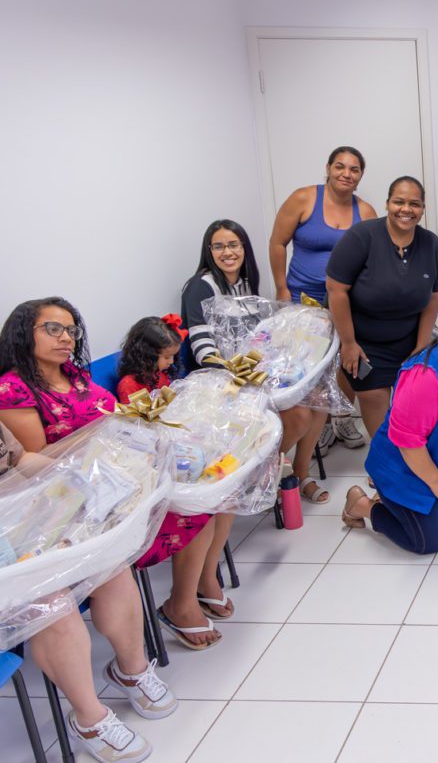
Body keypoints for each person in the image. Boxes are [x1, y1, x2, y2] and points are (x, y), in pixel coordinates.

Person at [0, 299, 176, 762]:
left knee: (112, 569)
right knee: (51, 600)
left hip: (64, 504)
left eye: (70, 329)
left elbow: (22, 461)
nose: (65, 337)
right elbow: (34, 466)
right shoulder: (12, 390)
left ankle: (132, 669)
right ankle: (89, 716)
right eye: (52, 328)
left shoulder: (76, 377)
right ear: (25, 334)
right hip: (33, 514)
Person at [182, 220, 328, 616]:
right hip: (221, 382)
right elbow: (201, 345)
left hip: (253, 376)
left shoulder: (245, 284)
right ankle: (260, 469)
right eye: (219, 247)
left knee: (315, 405)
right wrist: (236, 373)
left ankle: (288, 475)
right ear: (208, 251)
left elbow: (258, 336)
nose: (228, 253)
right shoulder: (202, 286)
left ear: (245, 248)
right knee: (294, 417)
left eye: (234, 245)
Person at [342, 298, 438, 554]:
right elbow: (407, 441)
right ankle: (363, 505)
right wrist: (436, 481)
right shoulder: (426, 374)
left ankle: (412, 507)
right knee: (429, 539)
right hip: (407, 466)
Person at [117, 315, 223, 650]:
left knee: (225, 498)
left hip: (176, 450)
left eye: (171, 357)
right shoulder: (131, 385)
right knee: (202, 506)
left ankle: (206, 580)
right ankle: (184, 600)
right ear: (144, 354)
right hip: (152, 462)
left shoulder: (162, 375)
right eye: (164, 357)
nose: (169, 363)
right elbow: (140, 429)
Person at [267, 145, 377, 453]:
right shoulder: (304, 198)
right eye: (340, 166)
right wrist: (281, 289)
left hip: (347, 301)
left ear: (360, 176)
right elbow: (277, 243)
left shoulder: (365, 212)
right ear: (328, 169)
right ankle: (319, 426)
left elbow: (372, 257)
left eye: (354, 169)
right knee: (308, 364)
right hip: (304, 298)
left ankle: (340, 416)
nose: (346, 173)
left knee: (347, 360)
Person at [327, 176, 438, 449]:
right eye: (399, 202)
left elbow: (433, 297)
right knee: (375, 396)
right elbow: (336, 290)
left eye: (414, 204)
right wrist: (348, 343)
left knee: (415, 398)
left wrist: (422, 343)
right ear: (387, 203)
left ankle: (410, 454)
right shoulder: (361, 237)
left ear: (423, 208)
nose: (406, 209)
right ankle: (384, 462)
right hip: (362, 338)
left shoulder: (431, 244)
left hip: (409, 335)